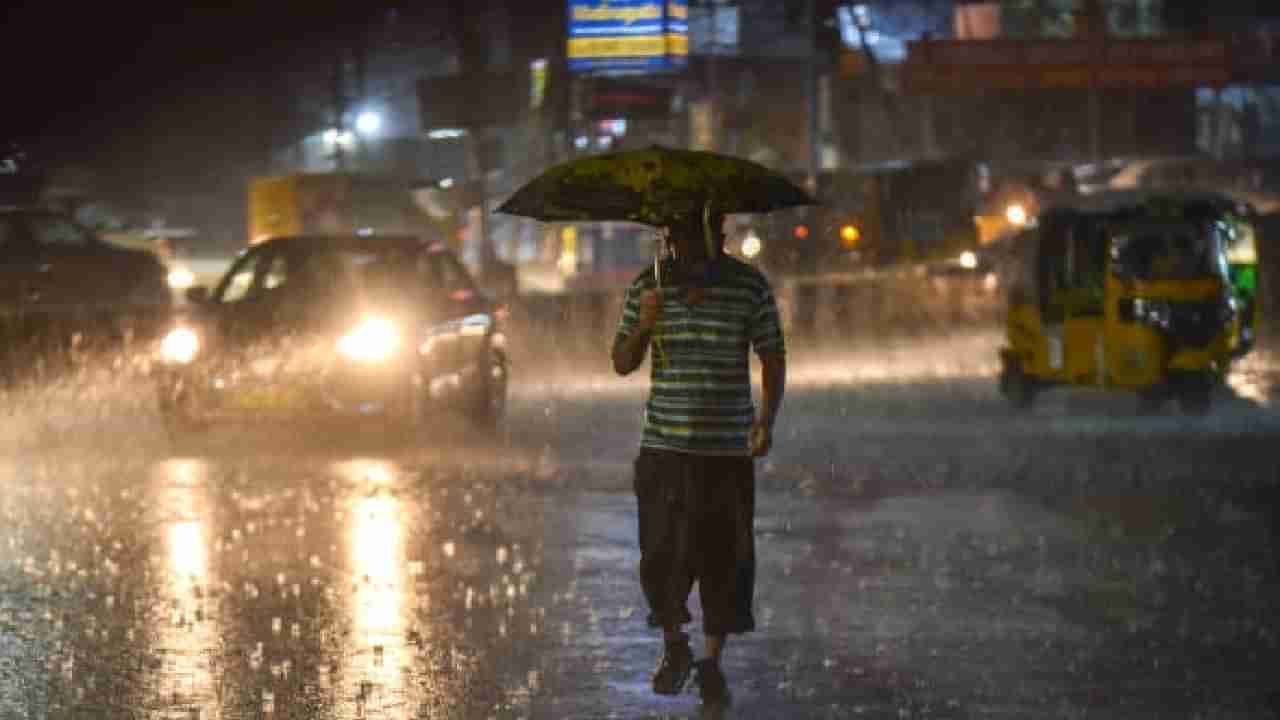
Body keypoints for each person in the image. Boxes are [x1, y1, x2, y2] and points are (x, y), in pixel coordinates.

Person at [611, 208, 787, 707]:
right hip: (664, 448)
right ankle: (675, 646)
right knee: (662, 558)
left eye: (691, 235)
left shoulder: (748, 287)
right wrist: (645, 322)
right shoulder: (649, 286)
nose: (680, 247)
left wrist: (766, 419)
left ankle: (711, 662)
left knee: (724, 561)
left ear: (717, 235)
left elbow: (772, 354)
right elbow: (622, 362)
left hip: (726, 452)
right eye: (673, 237)